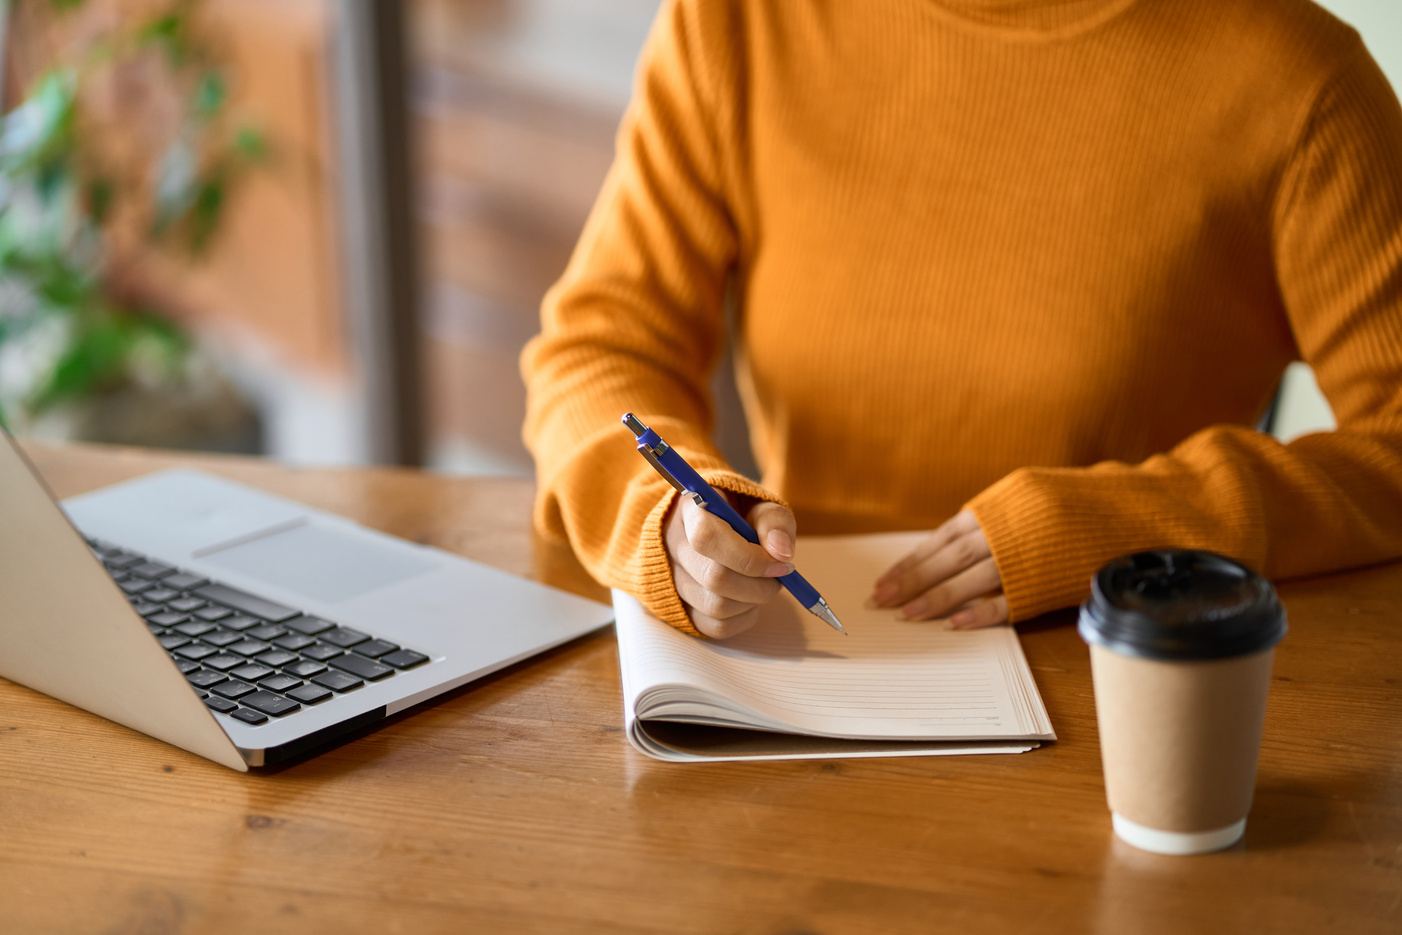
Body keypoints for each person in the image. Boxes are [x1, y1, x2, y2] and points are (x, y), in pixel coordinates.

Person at [521, 0, 1402, 639]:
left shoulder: (1299, 80)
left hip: (1123, 688)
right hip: (805, 669)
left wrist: (1135, 530)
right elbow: (597, 348)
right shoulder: (740, 23)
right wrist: (667, 517)